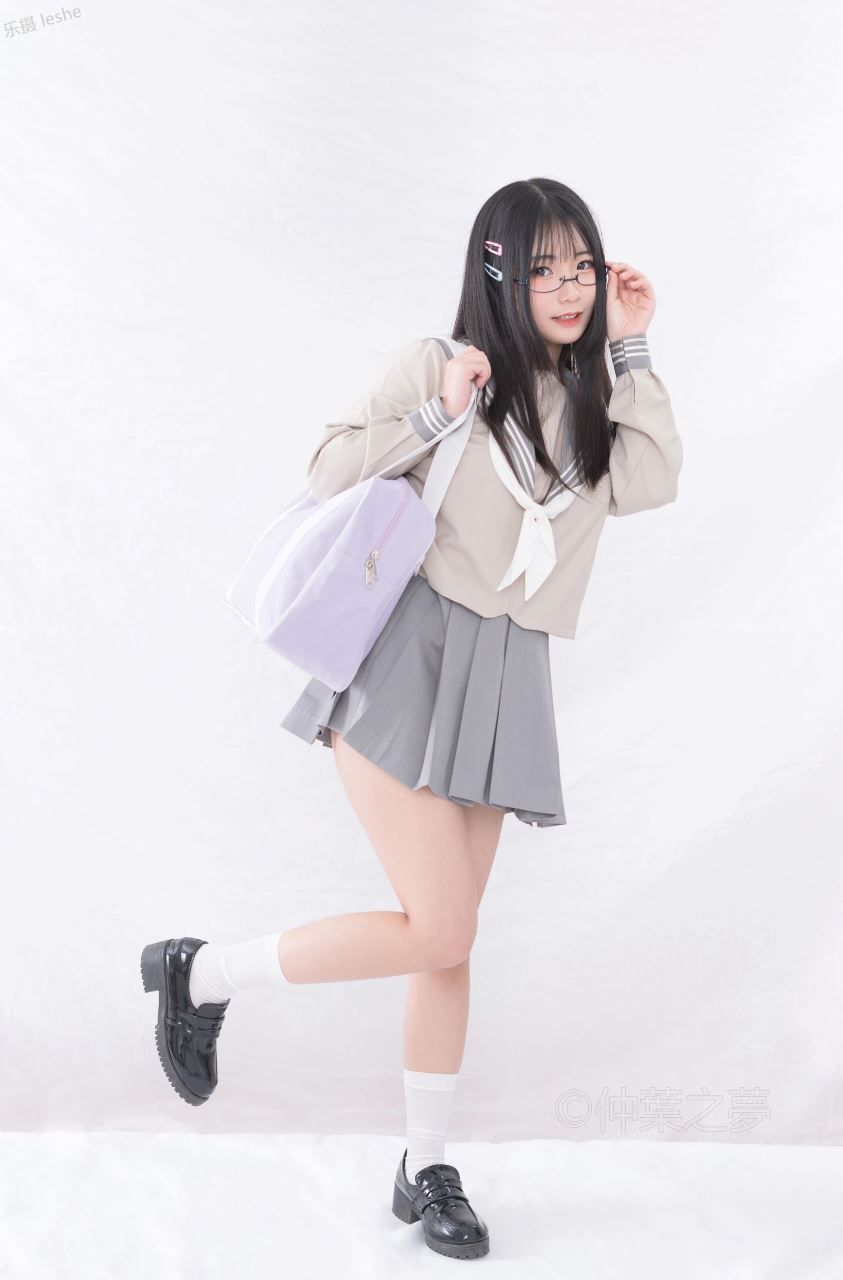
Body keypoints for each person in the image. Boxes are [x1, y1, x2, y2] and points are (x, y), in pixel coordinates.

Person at [141, 176, 683, 1260]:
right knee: (440, 926)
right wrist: (436, 410)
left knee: (449, 937)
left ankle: (424, 1162)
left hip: (509, 673)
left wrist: (630, 348)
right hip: (408, 655)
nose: (570, 286)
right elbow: (326, 469)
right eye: (544, 267)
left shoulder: (589, 397)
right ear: (497, 272)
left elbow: (652, 479)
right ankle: (201, 972)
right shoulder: (439, 361)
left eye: (582, 265)